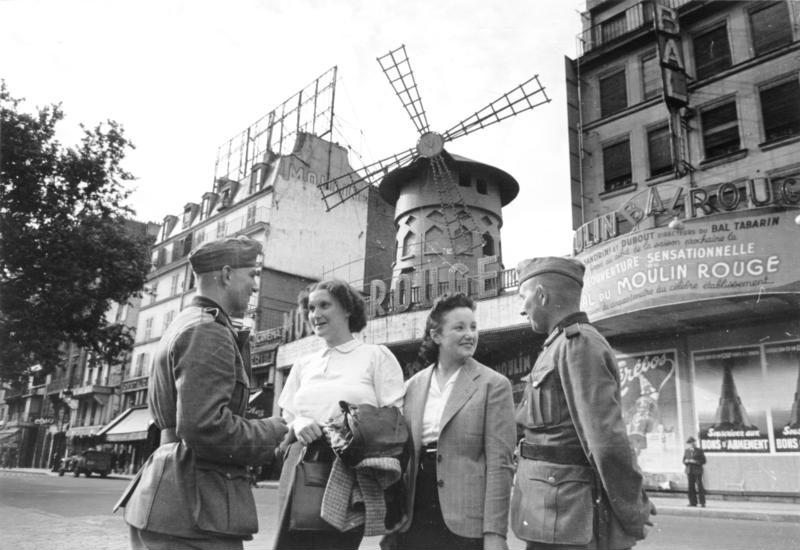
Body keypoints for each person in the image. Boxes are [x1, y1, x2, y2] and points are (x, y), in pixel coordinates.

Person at [115, 236, 288, 550]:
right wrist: (272, 431)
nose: (254, 285)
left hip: (169, 497)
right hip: (193, 506)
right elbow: (205, 426)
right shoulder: (207, 330)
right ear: (225, 274)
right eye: (252, 274)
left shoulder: (185, 322)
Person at [512, 257, 654, 550]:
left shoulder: (579, 344)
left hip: (567, 514)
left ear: (542, 294)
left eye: (524, 297)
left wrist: (632, 508)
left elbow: (606, 441)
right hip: (551, 512)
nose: (522, 308)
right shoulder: (557, 346)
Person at [273, 279, 406, 550]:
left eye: (324, 305)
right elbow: (286, 415)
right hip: (300, 463)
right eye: (311, 308)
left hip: (346, 467)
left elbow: (394, 418)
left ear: (347, 309)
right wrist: (299, 422)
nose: (315, 314)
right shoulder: (304, 364)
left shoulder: (375, 355)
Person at [389, 293, 516, 550]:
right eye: (459, 327)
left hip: (465, 522)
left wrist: (495, 533)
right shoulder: (412, 386)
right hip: (415, 516)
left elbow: (500, 465)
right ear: (437, 336)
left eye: (473, 327)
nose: (470, 334)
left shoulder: (494, 385)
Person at [683, 437, 706, 507]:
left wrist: (695, 462)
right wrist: (686, 461)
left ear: (694, 443)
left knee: (699, 486)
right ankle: (692, 502)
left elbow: (704, 461)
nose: (691, 444)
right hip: (689, 470)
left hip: (697, 471)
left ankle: (702, 502)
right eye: (690, 443)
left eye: (692, 442)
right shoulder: (686, 451)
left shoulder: (699, 451)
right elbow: (683, 460)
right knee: (691, 487)